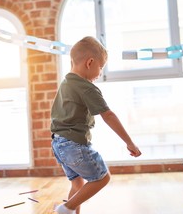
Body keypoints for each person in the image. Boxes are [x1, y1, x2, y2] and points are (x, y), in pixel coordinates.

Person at [51, 36, 142, 214]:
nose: (99, 73)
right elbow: (108, 115)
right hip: (74, 144)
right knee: (102, 178)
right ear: (90, 62)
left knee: (77, 184)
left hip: (58, 144)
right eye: (100, 67)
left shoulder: (66, 83)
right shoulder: (86, 87)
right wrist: (130, 143)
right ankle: (66, 208)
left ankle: (68, 210)